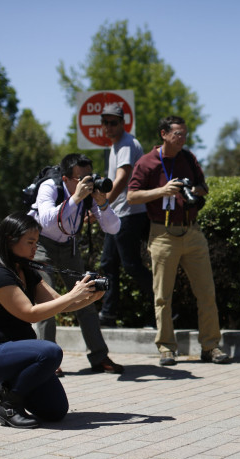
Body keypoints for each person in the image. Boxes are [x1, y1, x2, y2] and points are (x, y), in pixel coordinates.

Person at [0, 213, 104, 428]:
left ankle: (1, 388)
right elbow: (30, 313)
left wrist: (88, 297)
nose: (36, 247)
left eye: (37, 242)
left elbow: (60, 304)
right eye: (30, 242)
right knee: (50, 352)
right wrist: (73, 294)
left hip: (21, 354)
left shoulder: (26, 270)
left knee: (55, 411)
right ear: (9, 239)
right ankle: (10, 405)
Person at [127, 115, 230, 366]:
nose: (182, 138)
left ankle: (211, 347)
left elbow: (203, 186)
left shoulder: (188, 158)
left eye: (184, 134)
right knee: (162, 295)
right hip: (162, 233)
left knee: (206, 292)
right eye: (177, 134)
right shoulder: (147, 162)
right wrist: (162, 191)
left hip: (191, 231)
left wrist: (195, 190)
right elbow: (131, 196)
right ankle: (166, 348)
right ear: (164, 134)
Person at [29, 153, 125, 375]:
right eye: (80, 179)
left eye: (89, 178)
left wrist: (103, 205)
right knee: (46, 303)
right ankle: (48, 360)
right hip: (41, 244)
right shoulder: (50, 187)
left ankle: (99, 357)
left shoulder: (89, 195)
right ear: (66, 179)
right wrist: (75, 199)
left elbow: (113, 228)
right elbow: (46, 219)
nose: (86, 183)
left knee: (86, 298)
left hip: (69, 246)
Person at [97, 103, 154, 327]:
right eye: (105, 122)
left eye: (113, 122)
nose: (108, 127)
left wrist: (102, 205)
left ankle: (165, 308)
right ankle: (108, 314)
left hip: (129, 214)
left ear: (123, 123)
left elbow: (122, 179)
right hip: (119, 214)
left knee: (131, 266)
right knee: (108, 263)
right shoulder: (117, 145)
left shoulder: (127, 144)